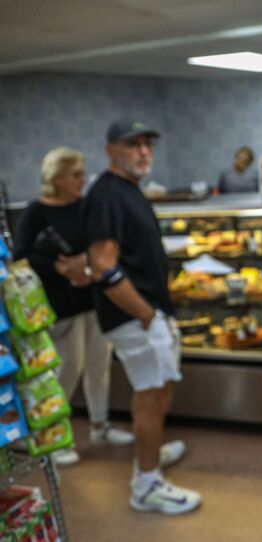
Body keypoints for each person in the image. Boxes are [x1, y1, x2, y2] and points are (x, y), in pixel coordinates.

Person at [83, 119, 201, 515]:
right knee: (150, 397)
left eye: (147, 144)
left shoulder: (128, 189)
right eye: (133, 144)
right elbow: (104, 267)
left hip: (147, 312)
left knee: (159, 392)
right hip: (135, 317)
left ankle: (148, 455)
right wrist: (147, 315)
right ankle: (147, 485)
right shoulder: (107, 194)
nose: (143, 151)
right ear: (110, 151)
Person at [13, 147, 135, 466]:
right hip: (60, 304)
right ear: (57, 178)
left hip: (93, 297)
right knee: (68, 367)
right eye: (76, 174)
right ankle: (51, 435)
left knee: (99, 365)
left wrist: (85, 262)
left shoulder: (85, 208)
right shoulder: (36, 212)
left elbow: (102, 243)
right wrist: (60, 267)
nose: (83, 180)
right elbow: (22, 257)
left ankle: (100, 425)